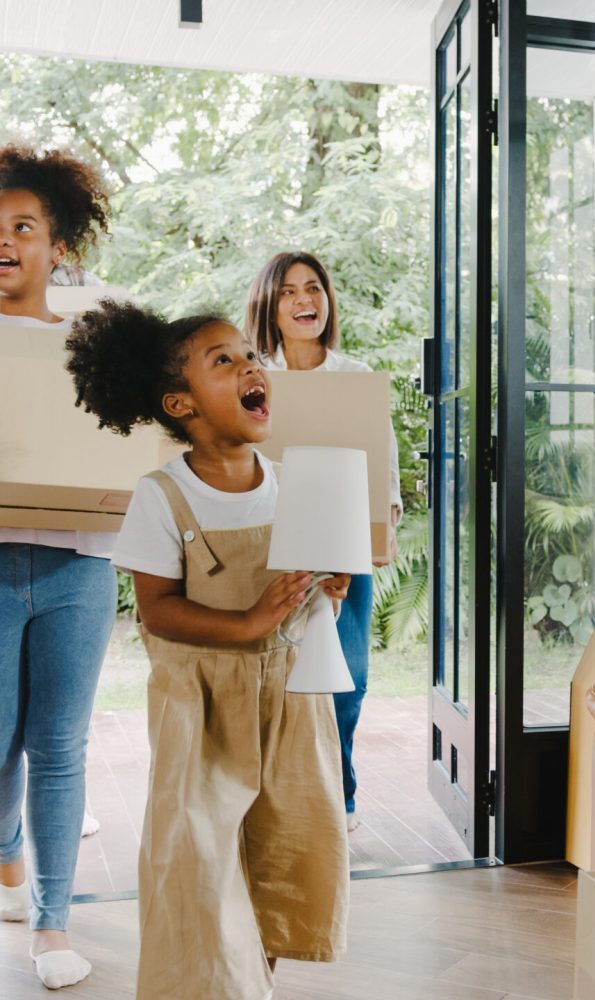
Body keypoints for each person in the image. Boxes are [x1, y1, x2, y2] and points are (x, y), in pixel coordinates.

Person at [65, 301, 351, 999]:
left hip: (288, 705)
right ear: (180, 403)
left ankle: (259, 984)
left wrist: (328, 590)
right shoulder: (162, 497)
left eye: (251, 355)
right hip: (201, 711)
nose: (251, 365)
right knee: (200, 862)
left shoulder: (293, 484)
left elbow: (309, 607)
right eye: (223, 360)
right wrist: (250, 622)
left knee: (282, 855)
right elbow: (159, 613)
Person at [0, 144, 114, 991]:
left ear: (57, 245)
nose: (5, 241)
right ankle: (6, 860)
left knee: (60, 747)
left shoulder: (92, 341)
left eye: (23, 226)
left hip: (80, 567)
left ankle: (51, 924)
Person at [245, 251, 402, 834]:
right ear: (269, 303)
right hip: (270, 545)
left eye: (313, 288)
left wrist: (372, 544)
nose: (304, 300)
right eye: (288, 291)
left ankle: (342, 792)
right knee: (277, 674)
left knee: (347, 678)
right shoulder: (251, 376)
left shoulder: (356, 378)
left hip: (343, 548)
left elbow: (380, 469)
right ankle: (279, 795)